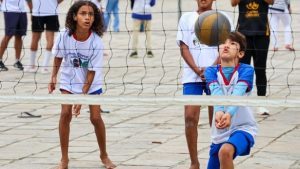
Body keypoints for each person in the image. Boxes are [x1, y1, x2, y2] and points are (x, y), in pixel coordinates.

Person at [48, 1, 115, 168]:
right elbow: (58, 56)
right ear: (74, 16)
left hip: (91, 82)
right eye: (83, 13)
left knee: (95, 117)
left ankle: (104, 155)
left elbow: (91, 74)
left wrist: (81, 98)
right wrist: (53, 76)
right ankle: (64, 158)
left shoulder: (96, 42)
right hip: (69, 79)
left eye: (91, 14)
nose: (87, 17)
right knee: (65, 114)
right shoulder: (64, 35)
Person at [205, 31, 258, 169]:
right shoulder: (210, 71)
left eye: (232, 43)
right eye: (223, 43)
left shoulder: (246, 70)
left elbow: (238, 93)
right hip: (220, 132)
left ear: (240, 53)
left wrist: (228, 114)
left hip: (243, 128)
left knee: (225, 151)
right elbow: (216, 93)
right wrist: (219, 112)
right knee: (220, 153)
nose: (226, 46)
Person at [176, 0, 218, 168]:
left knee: (216, 121)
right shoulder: (186, 18)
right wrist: (197, 70)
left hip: (215, 75)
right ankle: (194, 162)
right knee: (190, 117)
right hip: (192, 75)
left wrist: (210, 70)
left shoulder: (221, 18)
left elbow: (226, 48)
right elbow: (183, 47)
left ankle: (214, 159)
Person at [231, 0, 274, 115]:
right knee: (243, 69)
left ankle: (261, 102)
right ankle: (242, 100)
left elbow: (271, 1)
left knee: (260, 69)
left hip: (262, 33)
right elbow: (233, 3)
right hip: (243, 33)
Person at [25, 0, 63, 73]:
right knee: (39, 39)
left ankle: (38, 66)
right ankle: (39, 66)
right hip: (44, 12)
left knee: (42, 39)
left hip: (45, 13)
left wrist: (32, 10)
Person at [0, 0, 30, 71]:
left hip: (22, 10)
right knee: (8, 35)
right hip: (10, 10)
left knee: (19, 35)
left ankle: (17, 61)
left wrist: (31, 9)